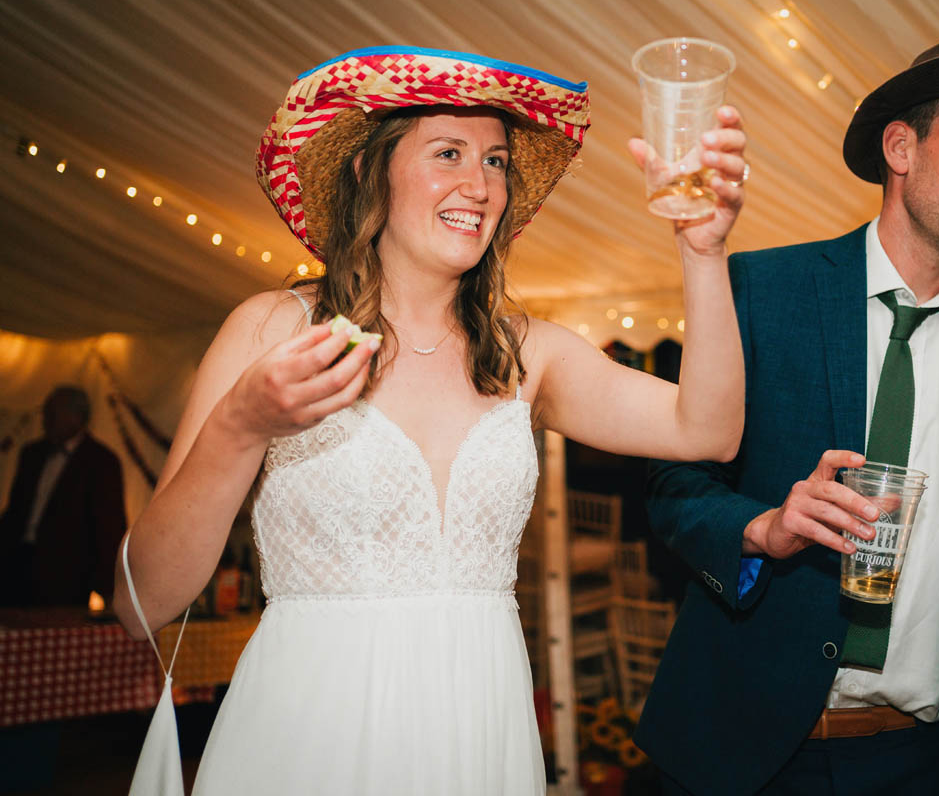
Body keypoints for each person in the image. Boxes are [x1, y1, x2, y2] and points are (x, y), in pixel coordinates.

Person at [111, 46, 748, 794]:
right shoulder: (273, 331)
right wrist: (240, 425)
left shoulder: (525, 352)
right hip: (311, 733)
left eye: (497, 162)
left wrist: (703, 254)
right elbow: (139, 604)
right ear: (367, 172)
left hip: (481, 731)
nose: (479, 187)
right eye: (448, 153)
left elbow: (706, 430)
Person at [637, 35, 939, 796]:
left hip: (928, 762)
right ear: (900, 147)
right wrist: (763, 529)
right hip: (741, 752)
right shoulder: (759, 290)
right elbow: (671, 485)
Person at [0, 386, 125, 607]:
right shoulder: (32, 454)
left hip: (66, 576)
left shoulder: (101, 461)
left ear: (77, 418)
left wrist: (108, 586)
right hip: (17, 566)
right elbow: (15, 511)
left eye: (52, 414)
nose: (45, 420)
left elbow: (109, 527)